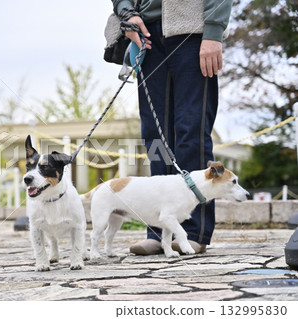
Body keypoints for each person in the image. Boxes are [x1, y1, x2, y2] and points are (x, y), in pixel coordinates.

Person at [112, 0, 233, 255]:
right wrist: (127, 14)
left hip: (191, 33)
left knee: (191, 131)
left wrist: (213, 32)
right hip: (146, 33)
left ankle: (193, 232)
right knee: (154, 137)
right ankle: (158, 232)